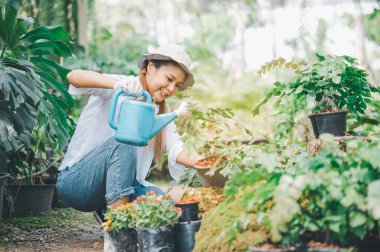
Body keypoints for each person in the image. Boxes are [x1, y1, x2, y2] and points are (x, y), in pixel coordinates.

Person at [56, 44, 203, 222]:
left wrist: (209, 162)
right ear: (150, 68)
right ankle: (117, 229)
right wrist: (116, 84)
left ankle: (108, 209)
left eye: (177, 85)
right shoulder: (121, 85)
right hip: (77, 183)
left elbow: (176, 149)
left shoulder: (162, 110)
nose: (172, 89)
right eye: (169, 78)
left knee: (164, 207)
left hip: (121, 186)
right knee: (124, 141)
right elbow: (73, 77)